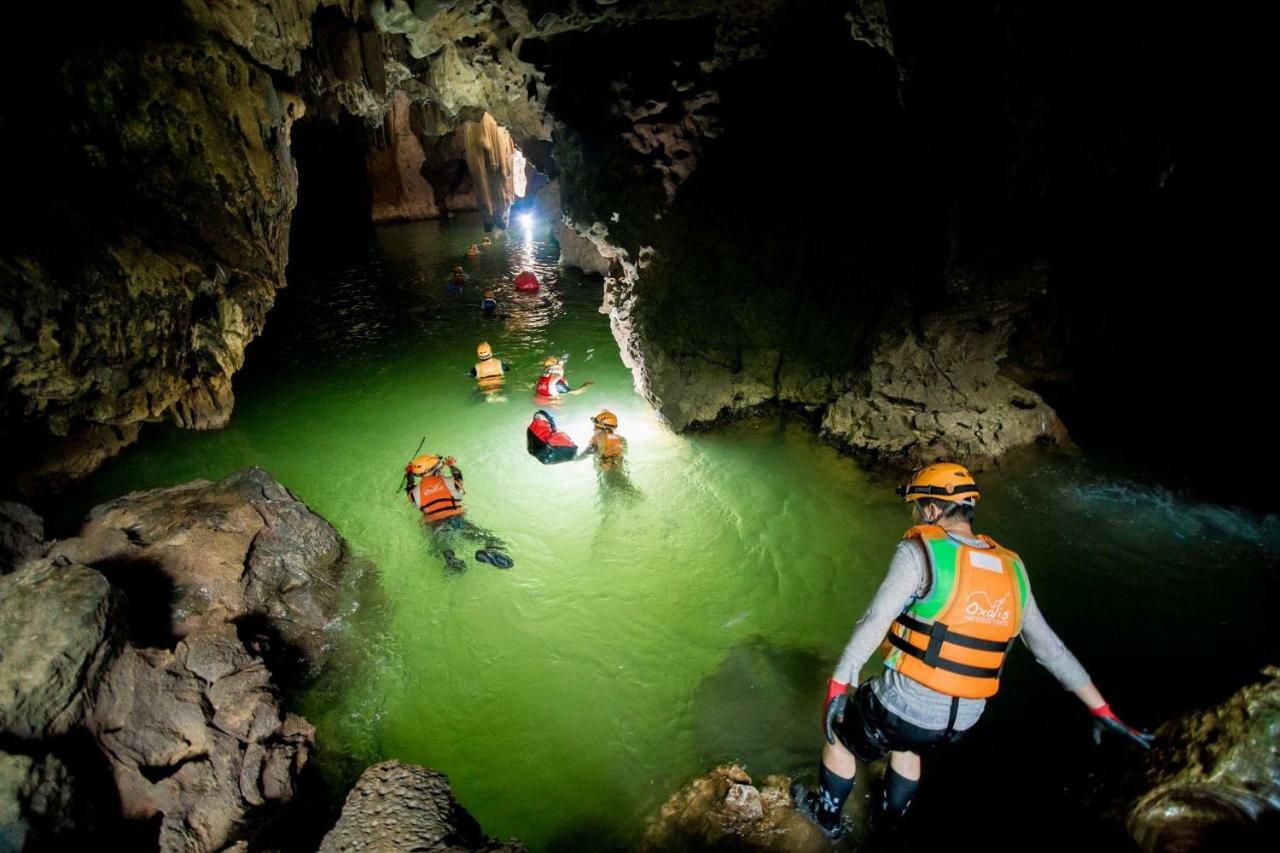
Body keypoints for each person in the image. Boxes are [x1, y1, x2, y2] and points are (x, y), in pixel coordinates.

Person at [794, 462, 1153, 840]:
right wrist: (1101, 708)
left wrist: (838, 683)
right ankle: (887, 821)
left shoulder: (919, 552)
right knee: (909, 745)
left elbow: (875, 620)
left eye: (919, 506)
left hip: (906, 705)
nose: (918, 514)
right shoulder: (1013, 568)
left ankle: (827, 820)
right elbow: (1051, 650)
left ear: (932, 510)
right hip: (962, 721)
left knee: (840, 735)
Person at [403, 454, 514, 570]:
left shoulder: (414, 493)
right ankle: (492, 550)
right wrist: (451, 466)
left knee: (441, 547)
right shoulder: (451, 482)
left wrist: (409, 473)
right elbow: (458, 474)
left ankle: (451, 560)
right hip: (456, 520)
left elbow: (409, 486)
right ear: (436, 470)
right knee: (492, 539)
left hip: (435, 525)